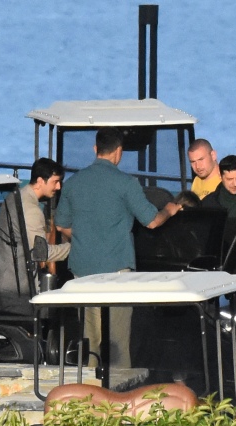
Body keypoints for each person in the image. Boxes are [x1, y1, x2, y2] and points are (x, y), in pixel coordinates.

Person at [55, 127, 181, 369]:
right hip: (117, 273)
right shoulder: (126, 183)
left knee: (90, 342)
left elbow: (61, 225)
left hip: (82, 271)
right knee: (118, 343)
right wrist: (169, 210)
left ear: (95, 149)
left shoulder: (73, 183)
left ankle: (89, 387)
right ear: (119, 152)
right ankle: (118, 387)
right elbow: (152, 222)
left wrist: (85, 236)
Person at [0, 158, 71, 315]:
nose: (58, 187)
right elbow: (41, 253)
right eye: (55, 182)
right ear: (40, 181)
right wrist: (74, 247)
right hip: (14, 288)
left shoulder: (13, 197)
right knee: (22, 329)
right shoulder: (31, 209)